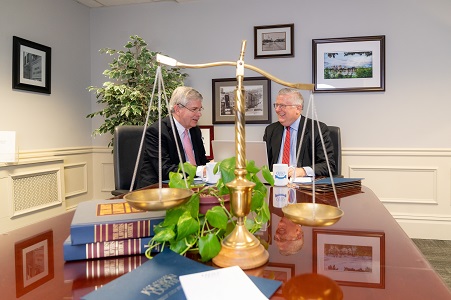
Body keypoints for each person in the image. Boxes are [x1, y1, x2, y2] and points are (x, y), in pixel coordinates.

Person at [137, 86, 209, 188]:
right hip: (158, 190)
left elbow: (201, 161)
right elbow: (165, 169)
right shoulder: (157, 131)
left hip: (193, 187)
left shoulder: (195, 131)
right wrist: (198, 171)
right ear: (177, 109)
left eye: (200, 109)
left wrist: (211, 167)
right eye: (194, 109)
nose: (199, 114)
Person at [263, 88, 335, 178]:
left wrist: (303, 171)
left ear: (298, 108)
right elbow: (263, 164)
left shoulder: (317, 129)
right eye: (276, 105)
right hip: (274, 184)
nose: (277, 109)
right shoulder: (270, 130)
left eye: (282, 106)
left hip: (302, 186)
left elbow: (328, 166)